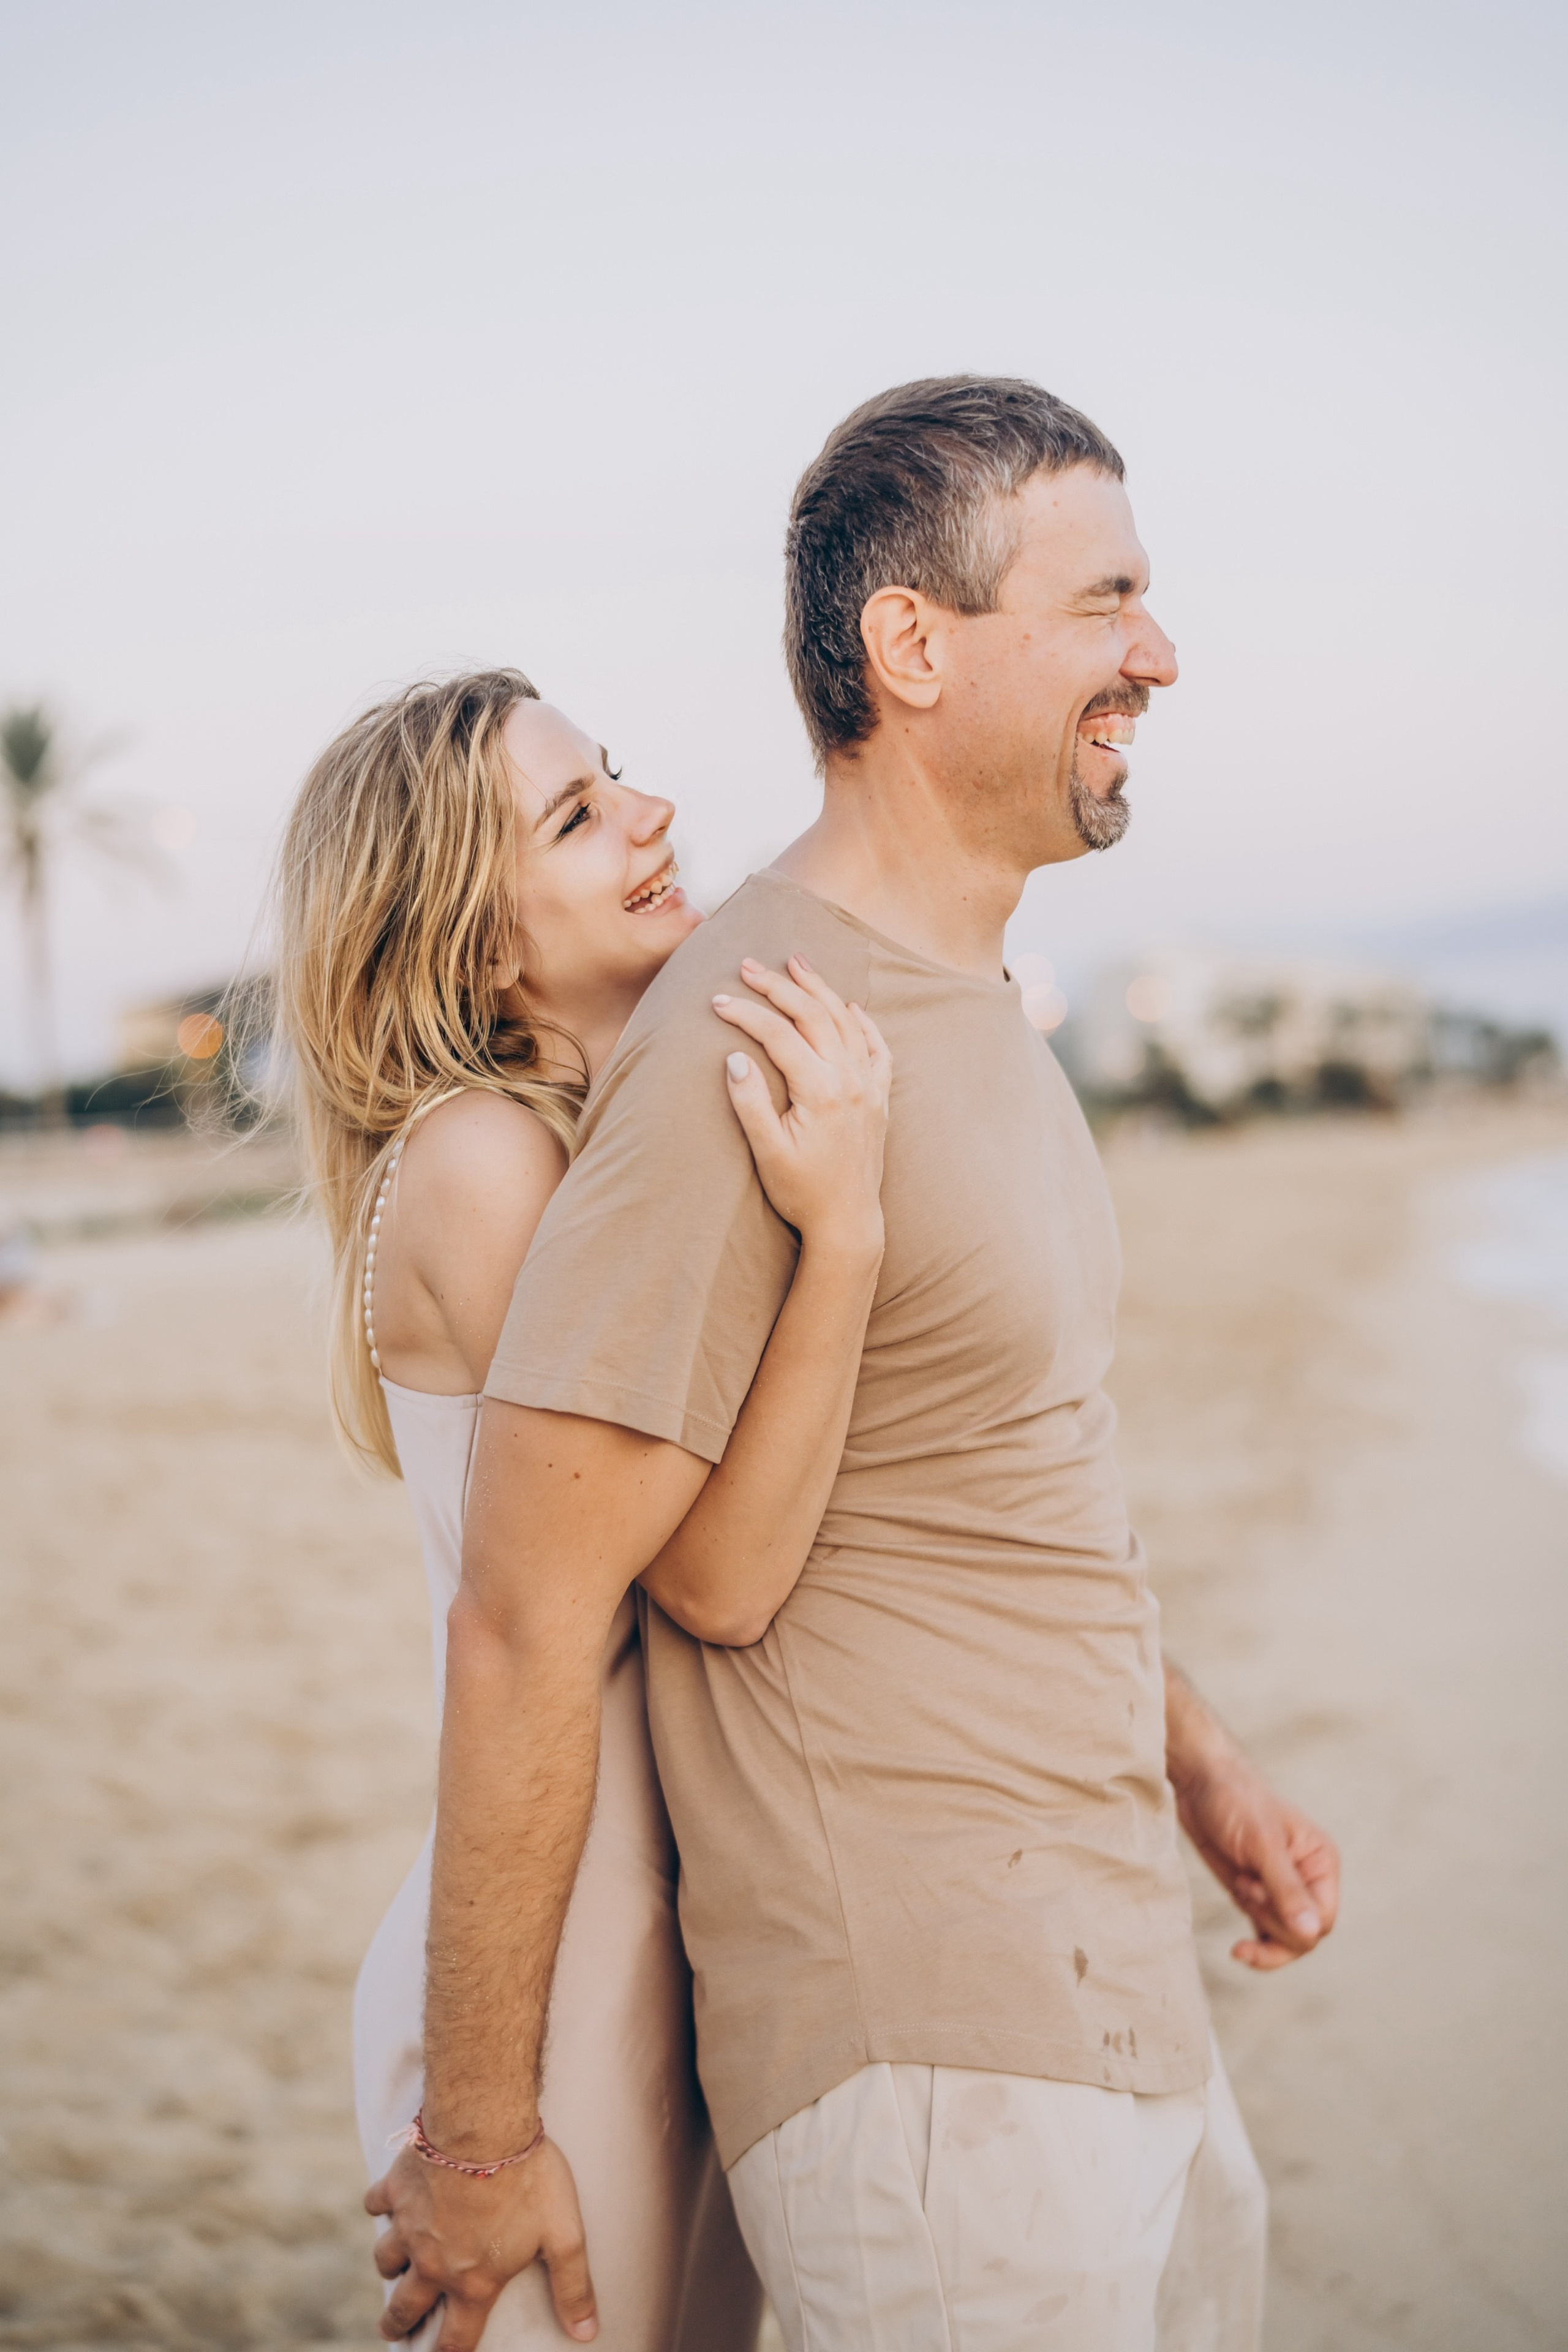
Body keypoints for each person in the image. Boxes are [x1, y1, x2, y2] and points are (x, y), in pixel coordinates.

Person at [368, 378, 1343, 2352]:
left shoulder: (964, 1000)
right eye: (1105, 602)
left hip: (1118, 1995)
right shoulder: (753, 1028)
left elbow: (998, 1471)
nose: (1157, 653)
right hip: (937, 2059)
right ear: (912, 645)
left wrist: (1204, 1766)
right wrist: (475, 2139)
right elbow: (540, 1613)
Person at [271, 669, 895, 2350]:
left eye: (615, 776)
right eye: (576, 814)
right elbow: (719, 1574)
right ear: (475, 949)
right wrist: (844, 1241)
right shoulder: (484, 1162)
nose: (652, 813)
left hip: (663, 1928)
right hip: (546, 1970)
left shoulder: (602, 1145)